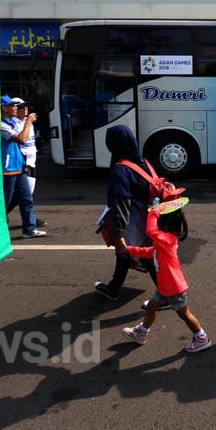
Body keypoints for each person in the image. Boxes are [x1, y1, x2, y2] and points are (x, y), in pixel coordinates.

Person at [121, 205, 211, 353]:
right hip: (165, 285)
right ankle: (141, 333)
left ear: (165, 226)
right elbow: (149, 252)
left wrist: (154, 211)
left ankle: (202, 338)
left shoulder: (167, 239)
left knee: (184, 314)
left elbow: (150, 231)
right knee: (151, 307)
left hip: (173, 287)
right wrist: (129, 249)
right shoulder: (164, 241)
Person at [94, 125, 164, 308]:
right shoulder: (143, 162)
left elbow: (121, 206)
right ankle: (113, 288)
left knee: (139, 253)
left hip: (134, 218)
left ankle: (165, 296)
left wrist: (118, 235)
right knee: (130, 253)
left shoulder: (121, 169)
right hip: (149, 214)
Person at [0, 95, 46, 239]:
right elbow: (22, 139)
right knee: (6, 201)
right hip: (8, 168)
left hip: (20, 165)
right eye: (13, 106)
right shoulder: (2, 125)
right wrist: (28, 123)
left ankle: (29, 228)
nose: (16, 109)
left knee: (27, 198)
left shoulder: (12, 122)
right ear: (4, 109)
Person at [11, 97, 47, 228]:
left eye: (26, 106)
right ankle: (29, 220)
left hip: (32, 160)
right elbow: (22, 140)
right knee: (25, 193)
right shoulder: (13, 123)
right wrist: (28, 123)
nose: (25, 109)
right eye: (21, 107)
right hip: (23, 160)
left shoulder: (28, 121)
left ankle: (28, 218)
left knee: (25, 193)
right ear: (15, 109)